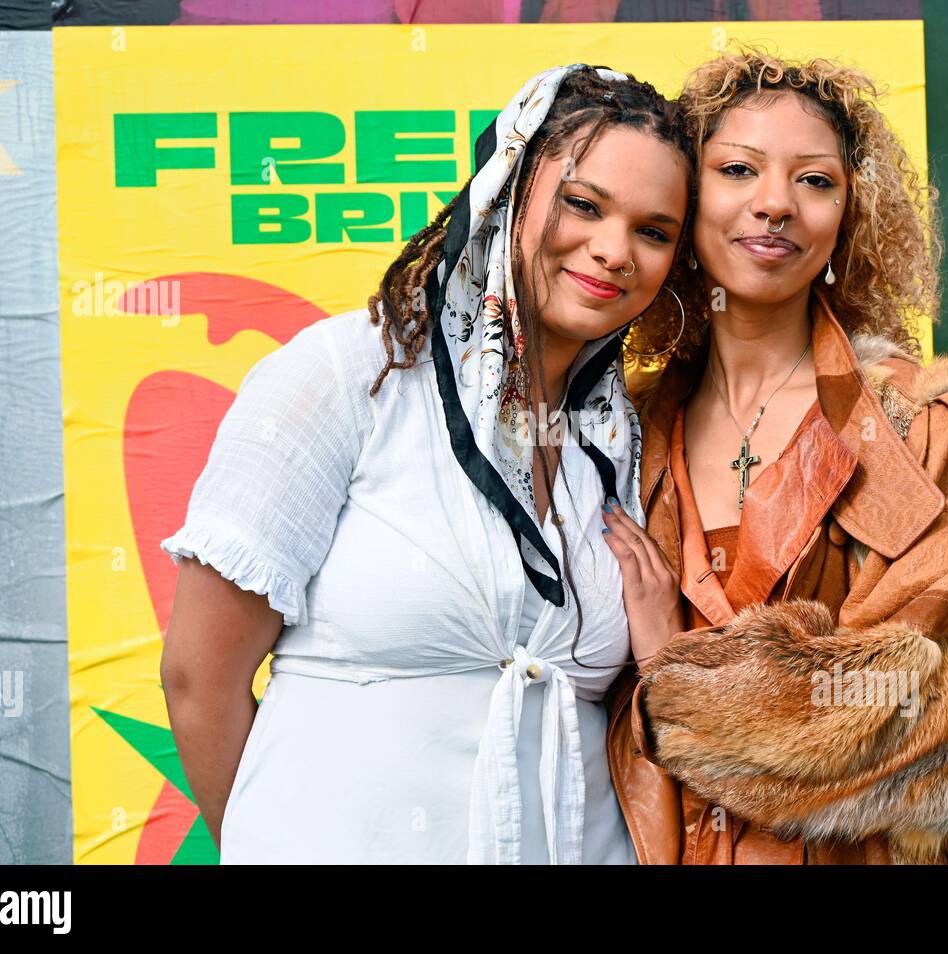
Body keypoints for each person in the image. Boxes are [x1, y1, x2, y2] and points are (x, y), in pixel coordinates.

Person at [158, 63, 696, 863]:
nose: (615, 250)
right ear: (507, 192)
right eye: (583, 205)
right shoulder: (350, 372)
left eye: (654, 231)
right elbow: (198, 680)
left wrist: (664, 658)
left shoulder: (626, 443)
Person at [599, 45, 948, 864]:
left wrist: (665, 674)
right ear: (683, 204)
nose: (775, 205)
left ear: (851, 215)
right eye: (737, 170)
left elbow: (916, 721)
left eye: (815, 180)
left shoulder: (925, 429)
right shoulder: (622, 433)